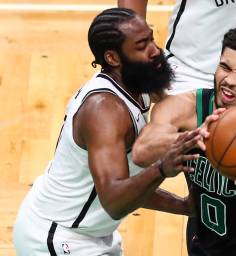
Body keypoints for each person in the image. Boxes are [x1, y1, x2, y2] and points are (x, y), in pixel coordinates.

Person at [13, 8, 201, 255]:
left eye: (152, 38)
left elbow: (130, 186)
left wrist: (184, 206)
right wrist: (162, 168)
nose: (155, 50)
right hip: (58, 238)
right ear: (113, 58)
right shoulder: (105, 112)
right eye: (142, 45)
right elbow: (113, 199)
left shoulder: (139, 83)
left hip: (91, 233)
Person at [132, 25, 236, 255]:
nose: (230, 80)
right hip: (202, 247)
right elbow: (141, 153)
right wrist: (195, 136)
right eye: (225, 67)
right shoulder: (189, 108)